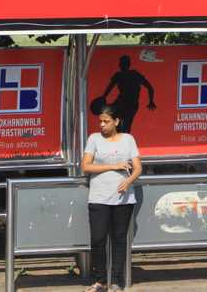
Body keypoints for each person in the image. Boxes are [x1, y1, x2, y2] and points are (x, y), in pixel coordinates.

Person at [81, 106, 142, 292]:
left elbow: (138, 168)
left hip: (123, 198)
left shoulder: (128, 139)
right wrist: (114, 166)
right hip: (99, 197)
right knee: (98, 239)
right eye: (100, 121)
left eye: (106, 121)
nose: (102, 125)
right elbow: (86, 166)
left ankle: (116, 280)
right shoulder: (94, 139)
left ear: (116, 121)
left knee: (119, 239)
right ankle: (100, 281)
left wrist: (128, 181)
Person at [99, 55, 156, 134]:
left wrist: (151, 101)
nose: (120, 65)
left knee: (124, 124)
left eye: (121, 63)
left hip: (127, 103)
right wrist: (151, 101)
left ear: (123, 64)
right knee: (124, 124)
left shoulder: (128, 74)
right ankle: (119, 134)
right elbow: (150, 87)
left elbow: (150, 87)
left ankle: (120, 135)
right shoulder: (126, 74)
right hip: (127, 103)